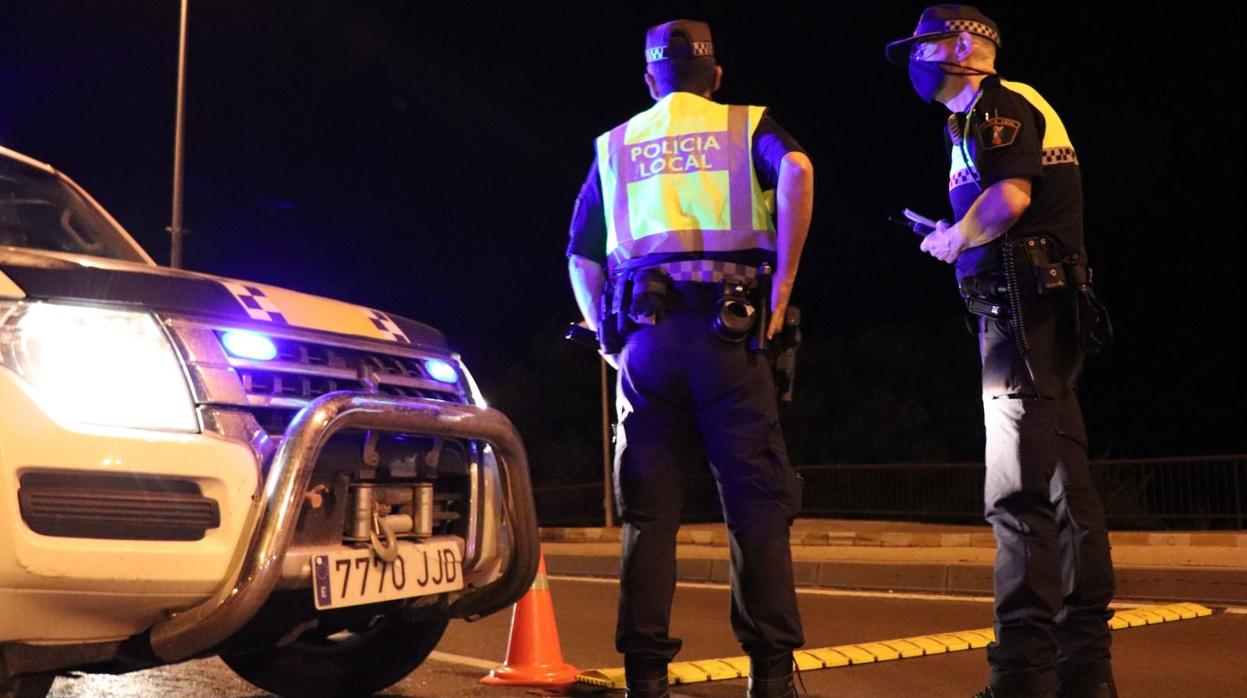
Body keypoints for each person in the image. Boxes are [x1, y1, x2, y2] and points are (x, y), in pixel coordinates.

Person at [566, 19, 814, 698]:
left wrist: (607, 340)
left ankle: (646, 676)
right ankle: (769, 675)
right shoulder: (745, 124)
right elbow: (795, 169)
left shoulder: (617, 144)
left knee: (649, 517)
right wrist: (783, 285)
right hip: (730, 334)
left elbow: (580, 257)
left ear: (650, 80)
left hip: (646, 337)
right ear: (717, 76)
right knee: (754, 508)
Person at [885, 6, 1116, 698]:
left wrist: (958, 238)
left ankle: (1020, 673)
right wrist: (955, 229)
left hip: (1018, 311)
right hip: (1038, 309)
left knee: (1014, 491)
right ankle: (1083, 665)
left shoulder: (996, 105)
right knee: (1065, 486)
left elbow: (1011, 198)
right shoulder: (977, 120)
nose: (912, 64)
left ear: (962, 46)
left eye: (921, 48)